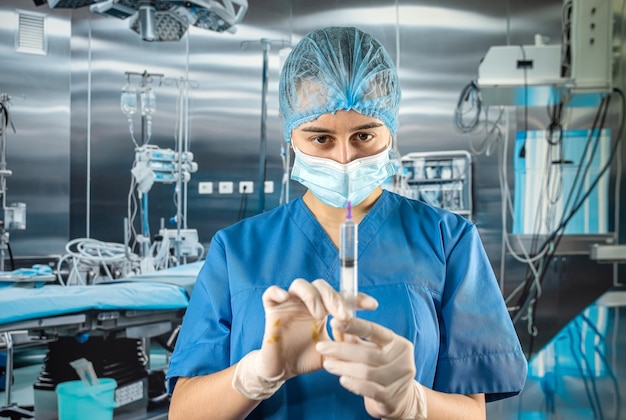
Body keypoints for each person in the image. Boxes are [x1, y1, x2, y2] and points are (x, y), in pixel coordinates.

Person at [166, 26, 528, 419]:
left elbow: (472, 414)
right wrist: (255, 375)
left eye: (364, 136)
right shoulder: (237, 250)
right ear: (291, 137)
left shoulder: (448, 240)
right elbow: (183, 411)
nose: (344, 159)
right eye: (320, 138)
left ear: (390, 127)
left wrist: (413, 403)